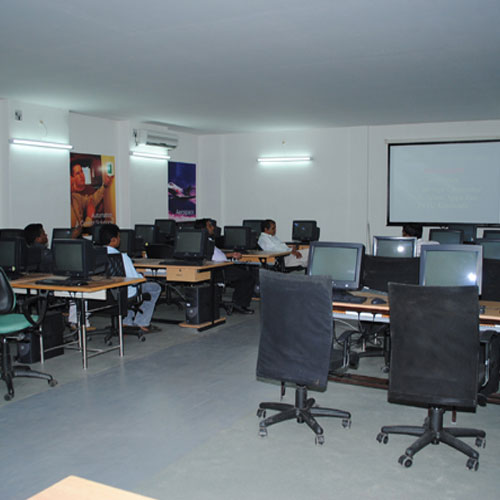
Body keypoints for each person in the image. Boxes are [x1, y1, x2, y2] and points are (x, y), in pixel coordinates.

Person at [99, 223, 162, 333]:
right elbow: (134, 280)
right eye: (119, 237)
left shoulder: (95, 255)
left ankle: (126, 322)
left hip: (104, 295)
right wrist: (141, 276)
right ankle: (142, 322)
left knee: (125, 289)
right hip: (123, 294)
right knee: (155, 288)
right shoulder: (122, 257)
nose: (120, 239)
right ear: (113, 240)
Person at [195, 218, 256, 314]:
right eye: (209, 226)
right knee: (248, 277)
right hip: (218, 270)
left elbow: (215, 254)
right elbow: (211, 258)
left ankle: (237, 301)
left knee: (242, 272)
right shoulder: (205, 242)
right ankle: (239, 304)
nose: (213, 228)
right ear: (203, 228)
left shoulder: (206, 240)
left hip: (219, 267)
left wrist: (231, 255)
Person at [71, 163, 112, 228]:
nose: (81, 175)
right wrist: (89, 217)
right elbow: (78, 229)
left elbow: (92, 200)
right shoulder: (70, 198)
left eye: (82, 171)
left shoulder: (77, 196)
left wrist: (105, 185)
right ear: (72, 178)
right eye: (78, 173)